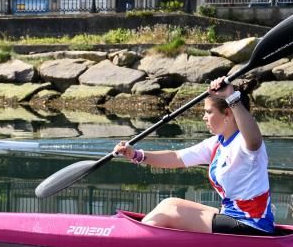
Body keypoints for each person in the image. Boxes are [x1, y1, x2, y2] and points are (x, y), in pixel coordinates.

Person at [113, 77, 275, 235]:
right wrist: (136, 154)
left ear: (227, 114)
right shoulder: (216, 144)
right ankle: (140, 236)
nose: (204, 117)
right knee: (170, 203)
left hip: (252, 224)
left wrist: (231, 97)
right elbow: (176, 157)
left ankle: (130, 240)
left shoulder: (245, 142)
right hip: (231, 215)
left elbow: (254, 140)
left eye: (208, 112)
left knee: (170, 211)